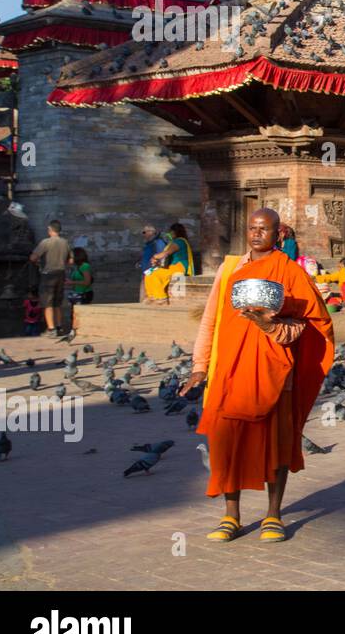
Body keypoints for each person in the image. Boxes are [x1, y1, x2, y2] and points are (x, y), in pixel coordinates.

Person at [177, 208, 334, 544]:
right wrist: (199, 366)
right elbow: (211, 320)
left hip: (274, 372)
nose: (256, 234)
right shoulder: (230, 268)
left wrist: (268, 325)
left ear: (278, 234)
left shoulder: (290, 272)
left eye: (264, 229)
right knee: (225, 444)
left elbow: (307, 327)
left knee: (275, 444)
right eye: (252, 228)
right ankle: (230, 516)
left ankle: (273, 514)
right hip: (228, 370)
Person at [28, 219, 72, 337]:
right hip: (61, 274)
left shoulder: (46, 242)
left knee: (48, 303)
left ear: (50, 229)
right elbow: (71, 260)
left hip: (48, 275)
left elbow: (33, 258)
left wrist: (38, 261)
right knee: (57, 303)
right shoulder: (65, 242)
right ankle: (59, 327)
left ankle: (51, 329)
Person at [145, 223, 195, 302]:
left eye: (170, 232)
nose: (169, 234)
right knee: (148, 273)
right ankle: (151, 296)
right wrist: (157, 262)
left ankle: (161, 297)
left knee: (156, 275)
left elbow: (166, 253)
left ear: (175, 232)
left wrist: (155, 257)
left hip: (179, 267)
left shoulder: (180, 241)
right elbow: (165, 259)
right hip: (171, 267)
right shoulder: (173, 242)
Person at [67, 246, 94, 331]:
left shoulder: (85, 266)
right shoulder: (77, 267)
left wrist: (72, 282)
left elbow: (87, 282)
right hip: (77, 294)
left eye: (71, 256)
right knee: (74, 315)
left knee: (81, 315)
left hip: (84, 294)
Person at [138, 225, 166, 302]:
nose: (143, 234)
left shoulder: (158, 243)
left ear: (151, 233)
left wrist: (154, 268)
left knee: (149, 296)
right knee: (144, 296)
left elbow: (162, 257)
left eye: (144, 232)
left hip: (152, 272)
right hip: (146, 273)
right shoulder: (148, 244)